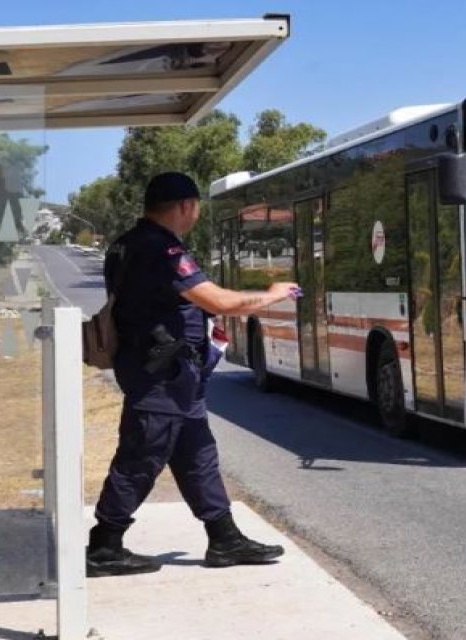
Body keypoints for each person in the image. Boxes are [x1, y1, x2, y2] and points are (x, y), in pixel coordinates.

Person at [88, 171, 301, 577]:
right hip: (160, 374)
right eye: (197, 207)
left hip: (173, 374)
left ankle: (224, 538)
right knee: (141, 455)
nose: (197, 214)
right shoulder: (160, 249)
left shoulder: (127, 243)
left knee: (197, 454)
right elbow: (217, 301)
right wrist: (273, 294)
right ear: (186, 206)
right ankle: (104, 544)